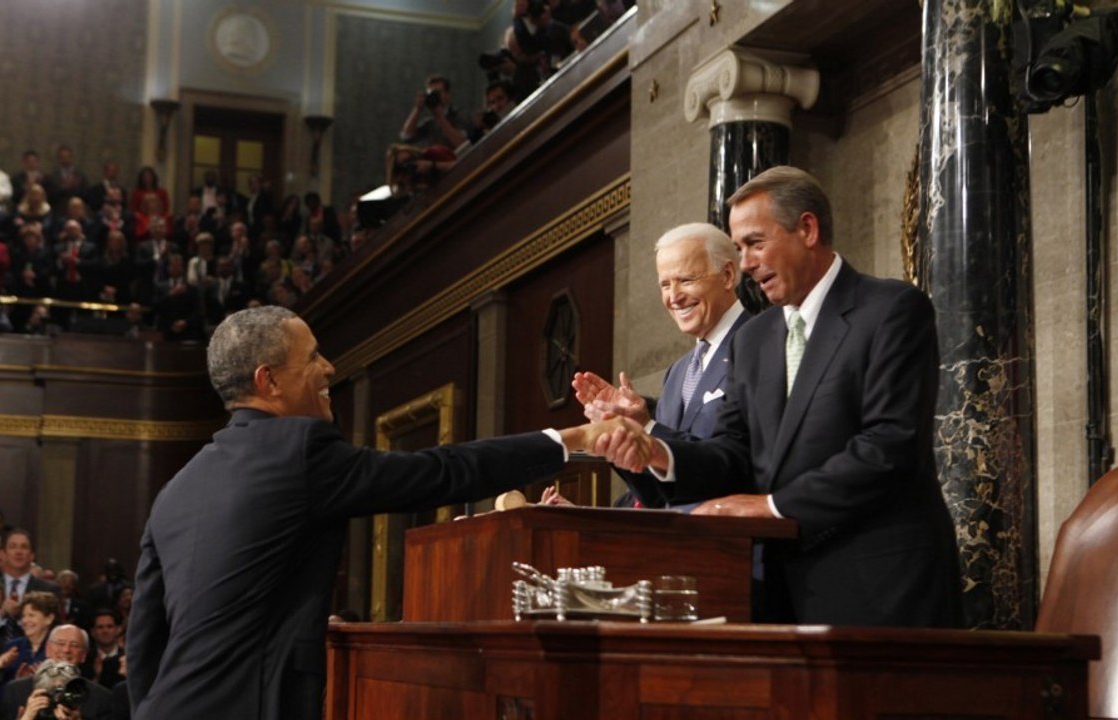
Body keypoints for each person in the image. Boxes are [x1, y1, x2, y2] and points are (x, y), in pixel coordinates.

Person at [126, 305, 619, 719]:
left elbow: (144, 639)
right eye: (313, 356)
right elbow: (442, 471)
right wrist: (571, 439)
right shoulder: (299, 450)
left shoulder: (177, 488)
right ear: (268, 380)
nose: (329, 367)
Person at [595, 166, 963, 628]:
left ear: (807, 229)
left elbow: (889, 446)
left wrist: (772, 508)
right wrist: (656, 451)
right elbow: (732, 453)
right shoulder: (754, 339)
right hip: (779, 595)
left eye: (754, 243)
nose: (746, 263)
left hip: (882, 587)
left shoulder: (890, 310)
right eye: (739, 247)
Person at [547, 223, 749, 508]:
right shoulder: (677, 373)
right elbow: (657, 496)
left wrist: (648, 428)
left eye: (686, 280)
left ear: (727, 275)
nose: (673, 296)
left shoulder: (762, 343)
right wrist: (625, 432)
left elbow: (735, 463)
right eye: (665, 284)